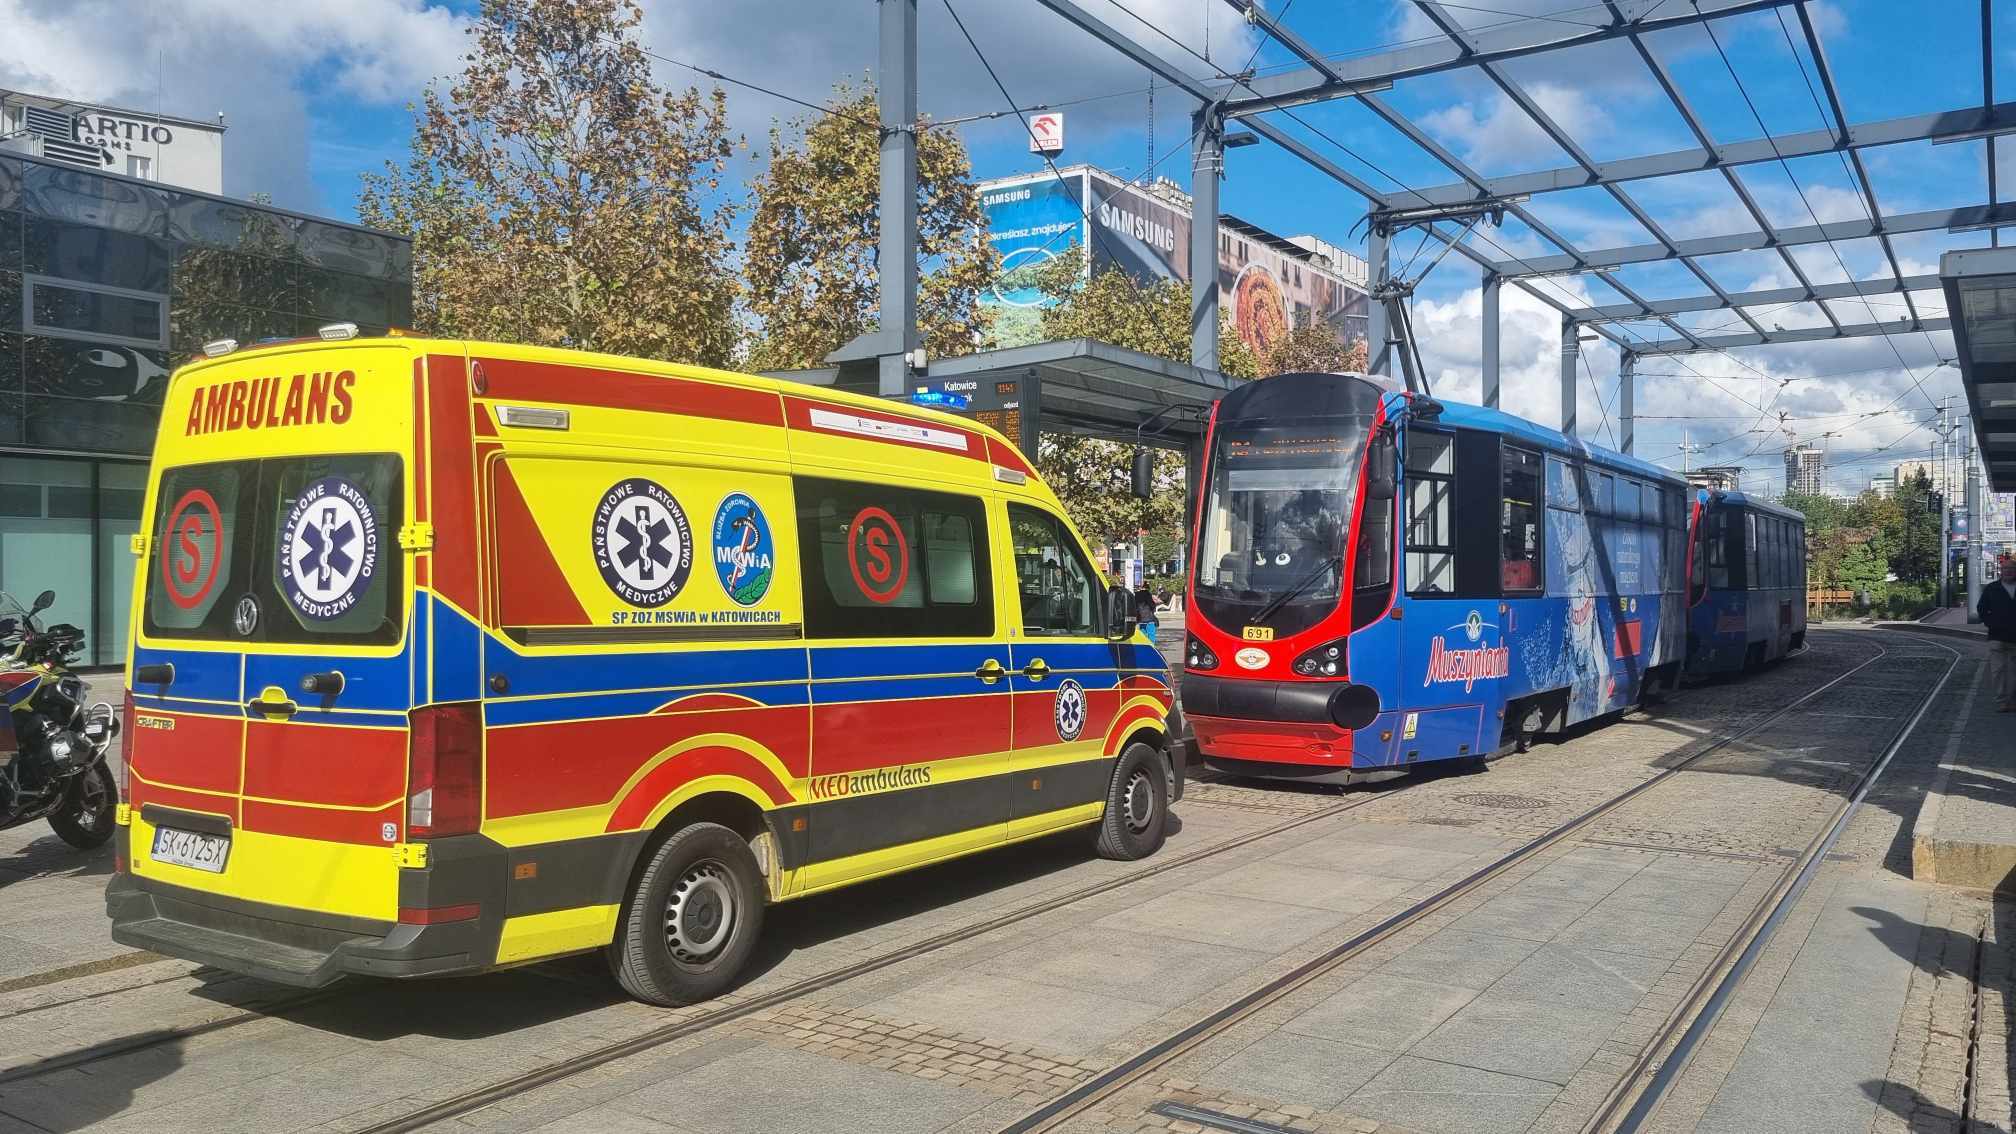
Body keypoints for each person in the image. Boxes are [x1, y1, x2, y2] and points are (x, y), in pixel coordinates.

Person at [1977, 557, 2016, 711]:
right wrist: (1991, 623)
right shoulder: (1992, 588)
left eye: (2012, 569)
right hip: (1996, 636)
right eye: (2006, 569)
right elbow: (1981, 609)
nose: (2008, 572)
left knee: (2014, 671)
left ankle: (2013, 699)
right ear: (2001, 571)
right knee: (1998, 670)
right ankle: (2002, 700)